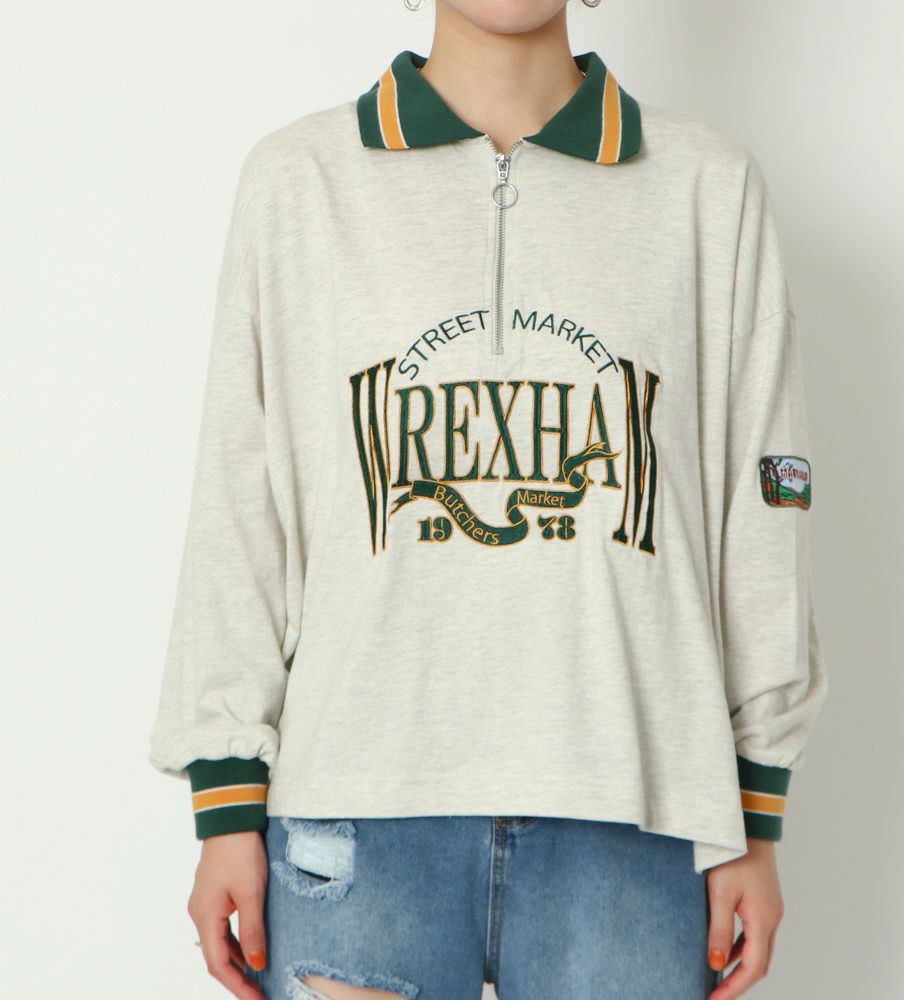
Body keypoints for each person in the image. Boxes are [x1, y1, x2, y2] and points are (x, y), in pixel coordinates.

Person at [148, 2, 829, 998]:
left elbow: (761, 512)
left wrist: (755, 817)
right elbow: (239, 499)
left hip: (634, 814)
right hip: (358, 809)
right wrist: (225, 804)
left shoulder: (707, 188)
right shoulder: (299, 181)